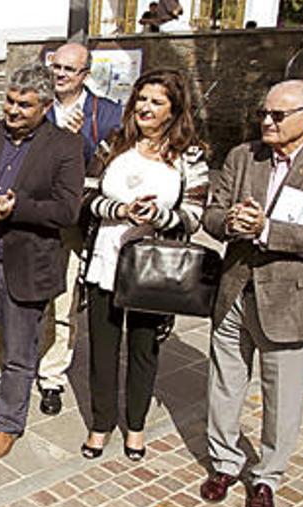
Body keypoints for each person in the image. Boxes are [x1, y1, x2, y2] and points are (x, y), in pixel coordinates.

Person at [199, 80, 303, 507]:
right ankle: (224, 463)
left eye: (277, 115)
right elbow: (211, 213)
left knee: (283, 395)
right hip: (235, 289)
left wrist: (266, 230)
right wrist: (230, 221)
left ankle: (268, 475)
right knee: (225, 383)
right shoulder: (242, 156)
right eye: (263, 114)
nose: (266, 122)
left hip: (290, 297)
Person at [0, 63, 82, 461]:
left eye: (24, 104)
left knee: (19, 355)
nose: (13, 110)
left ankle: (8, 423)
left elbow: (67, 209)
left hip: (23, 265)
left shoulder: (64, 145)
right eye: (9, 101)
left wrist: (17, 208)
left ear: (44, 106)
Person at [79, 68, 208, 462]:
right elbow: (84, 197)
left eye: (156, 101)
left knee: (143, 350)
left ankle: (135, 427)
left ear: (174, 110)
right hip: (106, 261)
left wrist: (160, 216)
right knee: (102, 350)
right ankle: (100, 425)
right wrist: (119, 209)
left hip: (153, 269)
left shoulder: (190, 155)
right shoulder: (113, 144)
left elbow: (195, 213)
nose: (145, 108)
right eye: (142, 99)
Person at [35, 42, 125, 416]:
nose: (59, 75)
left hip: (74, 221)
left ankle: (51, 375)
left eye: (68, 70)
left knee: (63, 299)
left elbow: (111, 170)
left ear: (85, 75)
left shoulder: (106, 114)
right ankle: (12, 365)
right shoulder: (36, 104)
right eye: (55, 67)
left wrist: (78, 143)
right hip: (35, 217)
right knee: (22, 297)